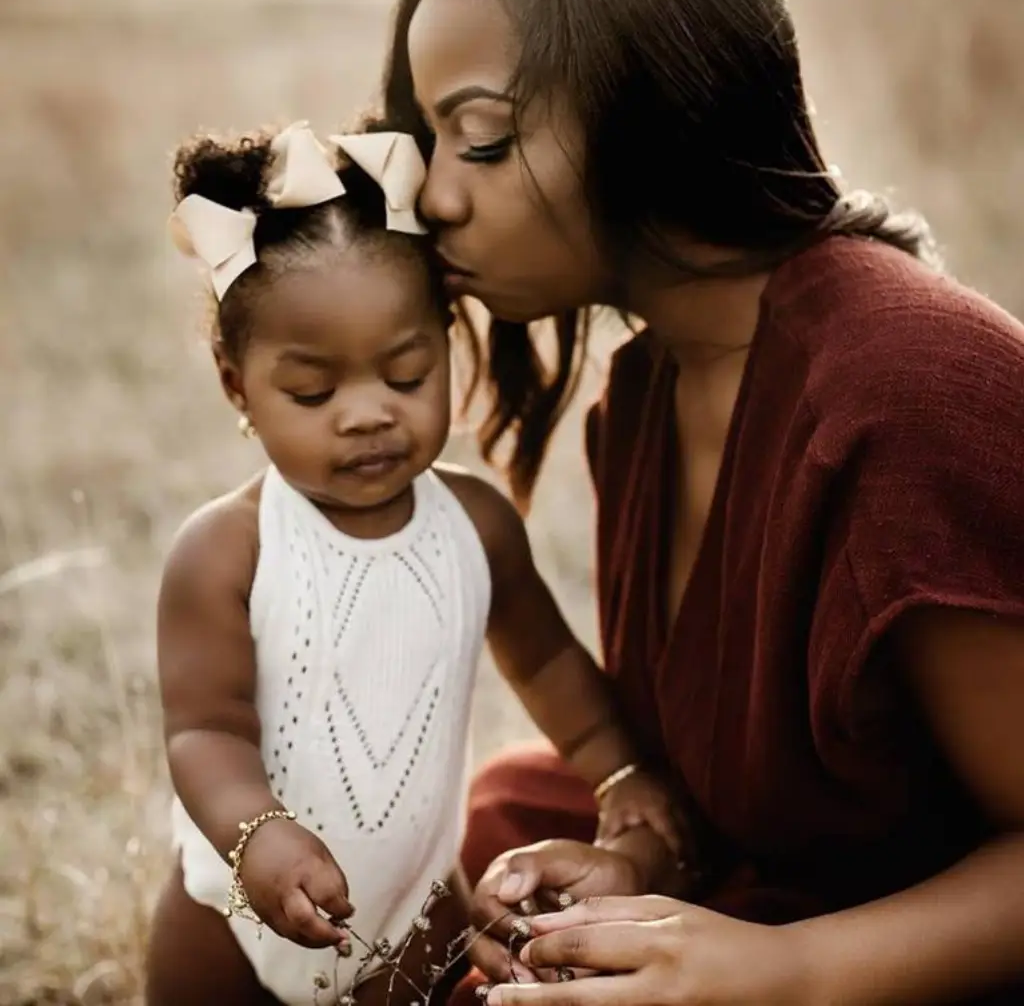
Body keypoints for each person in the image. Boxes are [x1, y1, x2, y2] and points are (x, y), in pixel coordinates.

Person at [378, 0, 1024, 1003]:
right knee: (451, 837)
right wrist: (642, 862)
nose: (434, 197)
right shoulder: (639, 400)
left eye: (482, 139)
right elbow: (732, 786)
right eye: (427, 142)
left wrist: (787, 970)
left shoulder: (905, 399)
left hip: (917, 954)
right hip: (795, 902)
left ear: (651, 103)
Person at [145, 120, 683, 1006]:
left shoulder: (475, 525)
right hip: (229, 925)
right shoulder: (227, 550)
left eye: (405, 374)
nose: (367, 415)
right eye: (313, 392)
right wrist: (260, 834)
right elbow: (206, 730)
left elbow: (549, 667)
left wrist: (621, 775)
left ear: (446, 343)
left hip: (419, 911)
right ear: (236, 385)